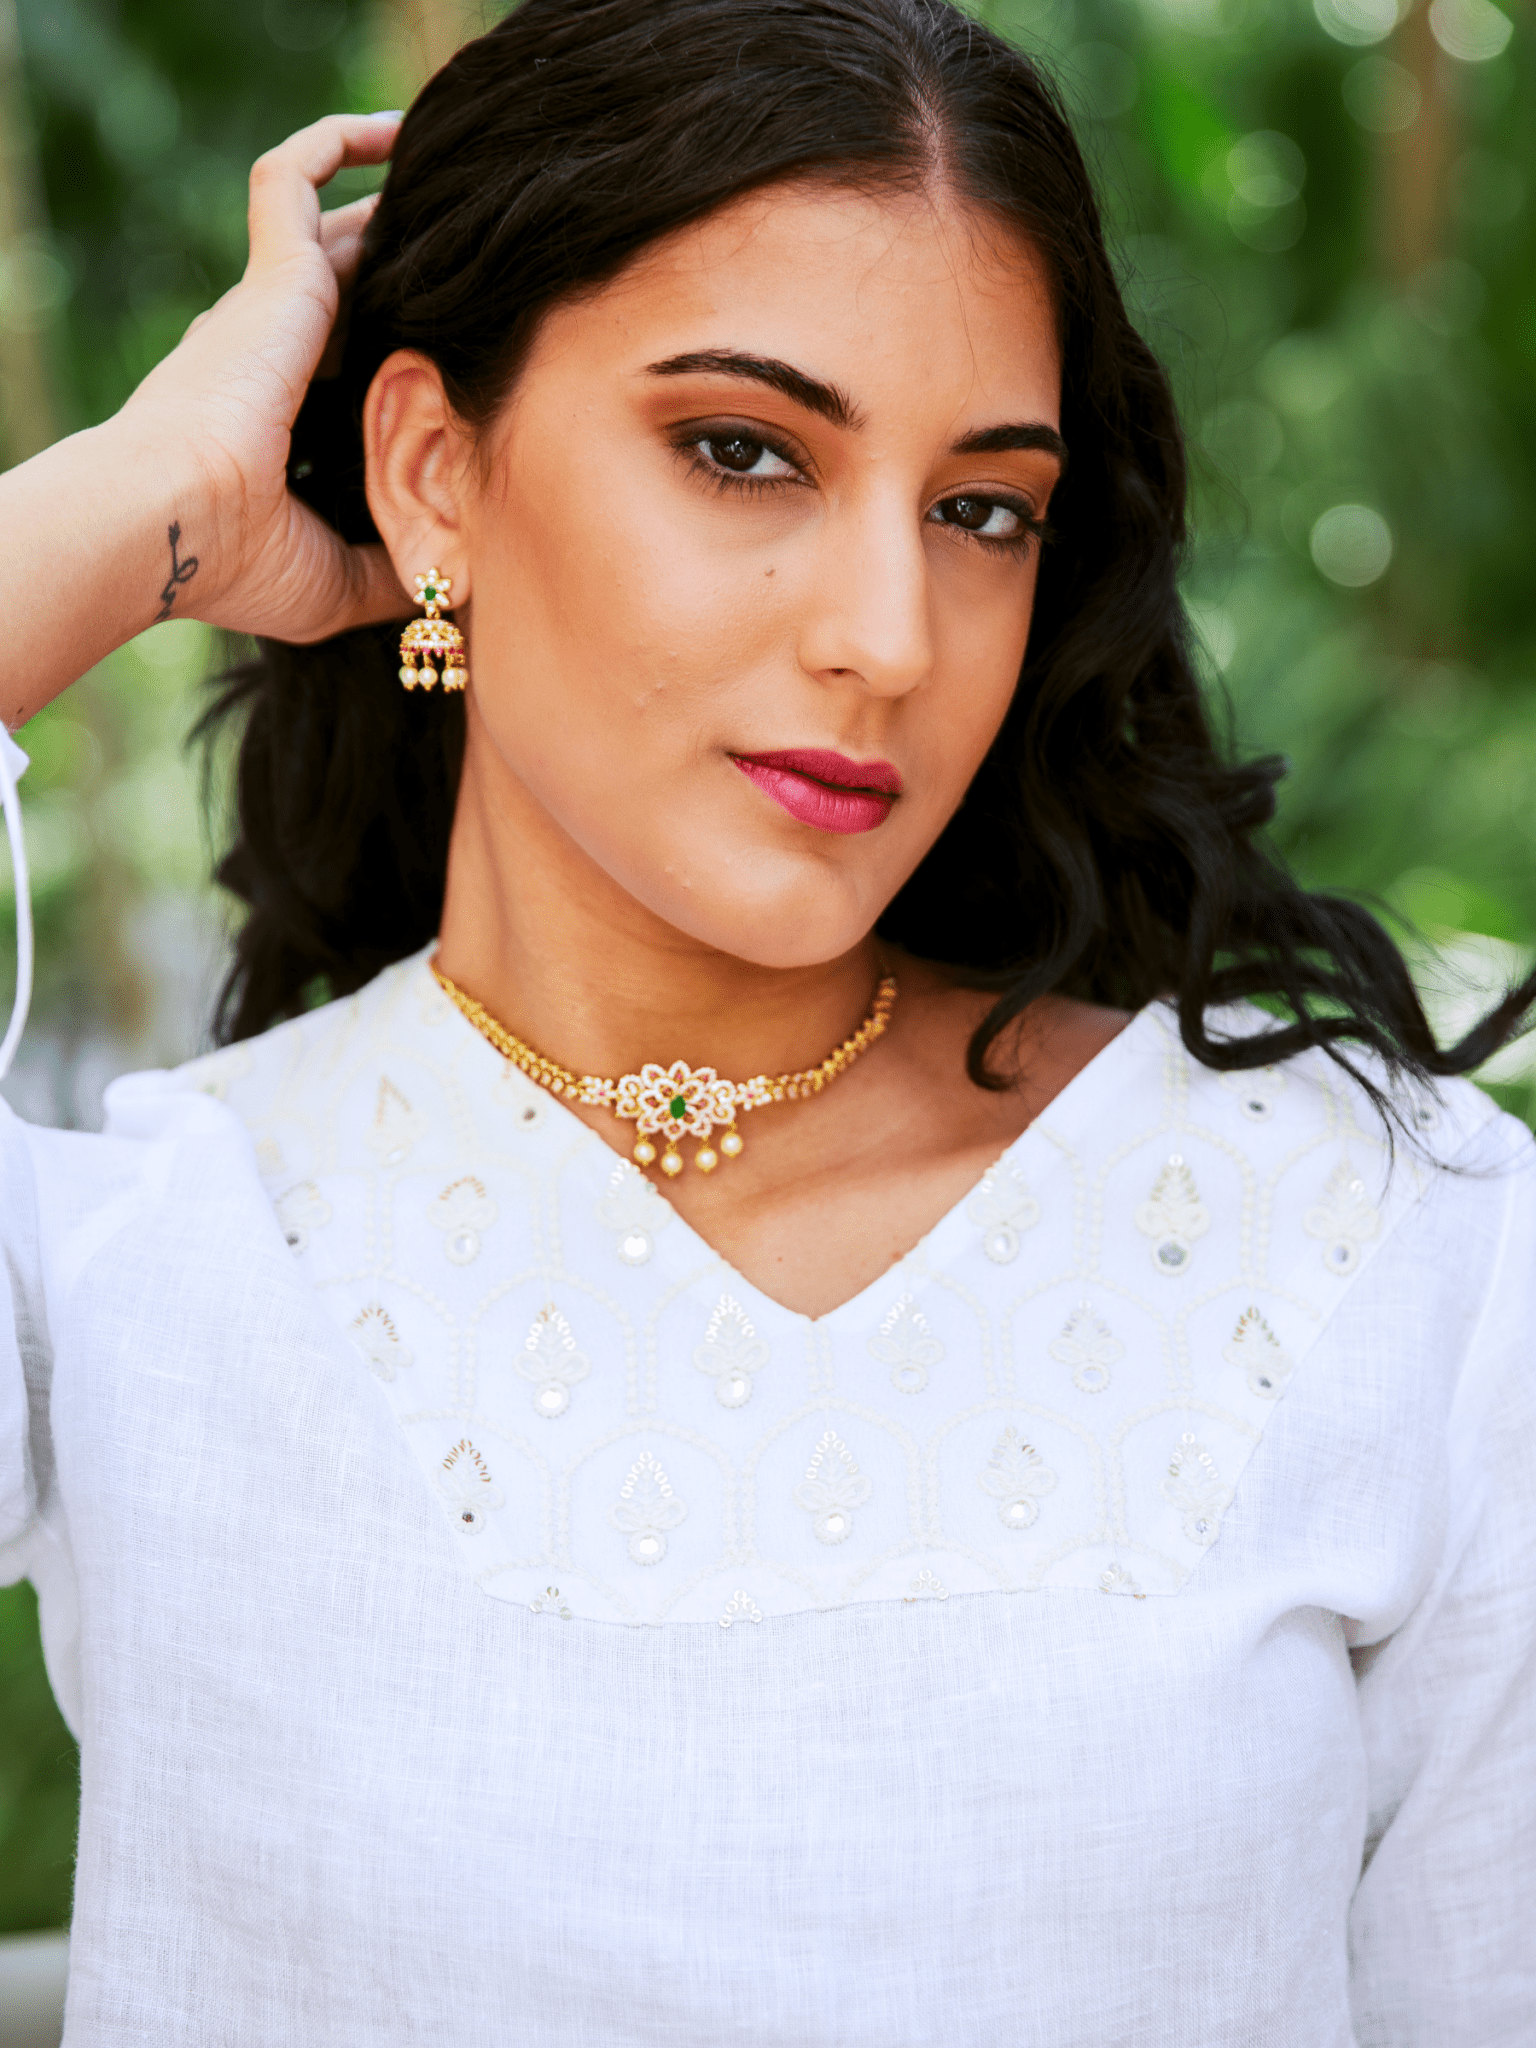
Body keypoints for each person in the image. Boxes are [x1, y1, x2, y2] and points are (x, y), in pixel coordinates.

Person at [0, 1, 1531, 2040]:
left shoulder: (1385, 1252)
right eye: (742, 450)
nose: (888, 638)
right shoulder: (135, 1272)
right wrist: (143, 502)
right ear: (435, 475)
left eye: (982, 507)